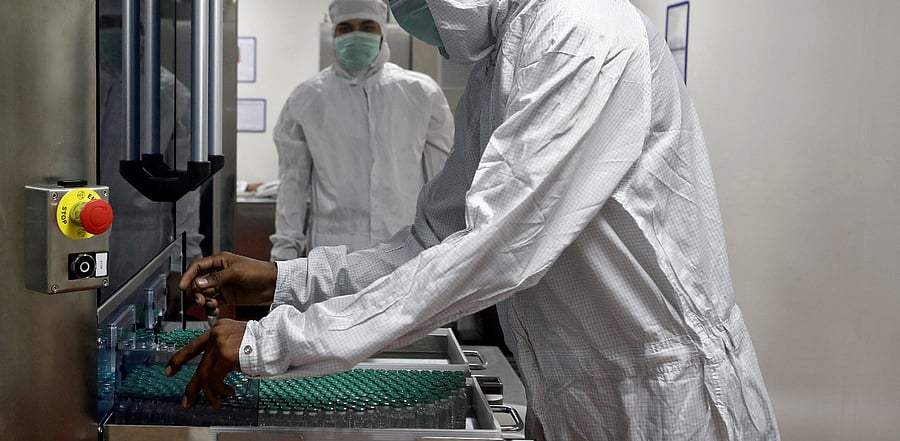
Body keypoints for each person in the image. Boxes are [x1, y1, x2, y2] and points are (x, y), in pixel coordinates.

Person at [167, 0, 781, 439]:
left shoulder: (581, 31)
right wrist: (283, 280)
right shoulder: (502, 62)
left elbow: (494, 249)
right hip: (574, 395)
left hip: (659, 398)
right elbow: (434, 240)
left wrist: (274, 340)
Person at [268, 0, 454, 260]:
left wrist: (444, 250)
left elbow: (441, 181)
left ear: (381, 32)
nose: (356, 35)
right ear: (334, 34)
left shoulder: (421, 93)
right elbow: (293, 186)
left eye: (367, 26)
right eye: (345, 28)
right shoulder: (307, 99)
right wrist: (282, 260)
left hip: (404, 253)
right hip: (332, 257)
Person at [98, 0, 204, 307]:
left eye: (126, 25)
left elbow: (187, 190)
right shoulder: (79, 86)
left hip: (143, 245)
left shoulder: (170, 93)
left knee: (136, 329)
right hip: (79, 232)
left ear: (143, 31)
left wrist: (182, 263)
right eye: (106, 24)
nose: (115, 33)